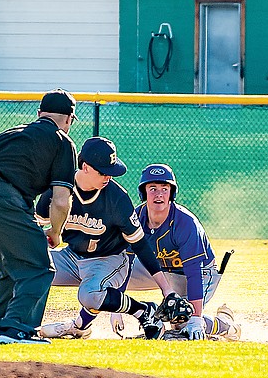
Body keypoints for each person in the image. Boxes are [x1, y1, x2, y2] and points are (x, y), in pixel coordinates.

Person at [0, 88, 77, 344]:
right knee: (38, 266)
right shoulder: (62, 141)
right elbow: (60, 200)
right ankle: (16, 329)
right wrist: (55, 233)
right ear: (69, 119)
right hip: (0, 196)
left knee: (10, 264)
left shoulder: (12, 132)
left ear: (39, 114)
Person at [35, 137, 182, 340]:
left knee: (89, 295)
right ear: (85, 167)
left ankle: (142, 311)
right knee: (27, 270)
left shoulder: (117, 198)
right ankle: (21, 327)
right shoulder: (61, 188)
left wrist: (166, 289)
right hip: (71, 257)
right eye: (103, 172)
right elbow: (34, 224)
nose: (108, 177)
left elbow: (140, 245)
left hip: (109, 259)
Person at [113, 163, 241, 341]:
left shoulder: (185, 223)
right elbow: (125, 263)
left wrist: (196, 318)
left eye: (165, 189)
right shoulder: (137, 218)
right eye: (153, 188)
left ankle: (226, 325)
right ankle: (84, 321)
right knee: (109, 271)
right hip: (163, 270)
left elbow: (194, 273)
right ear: (143, 193)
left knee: (182, 320)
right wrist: (117, 306)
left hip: (200, 273)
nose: (159, 194)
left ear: (171, 193)